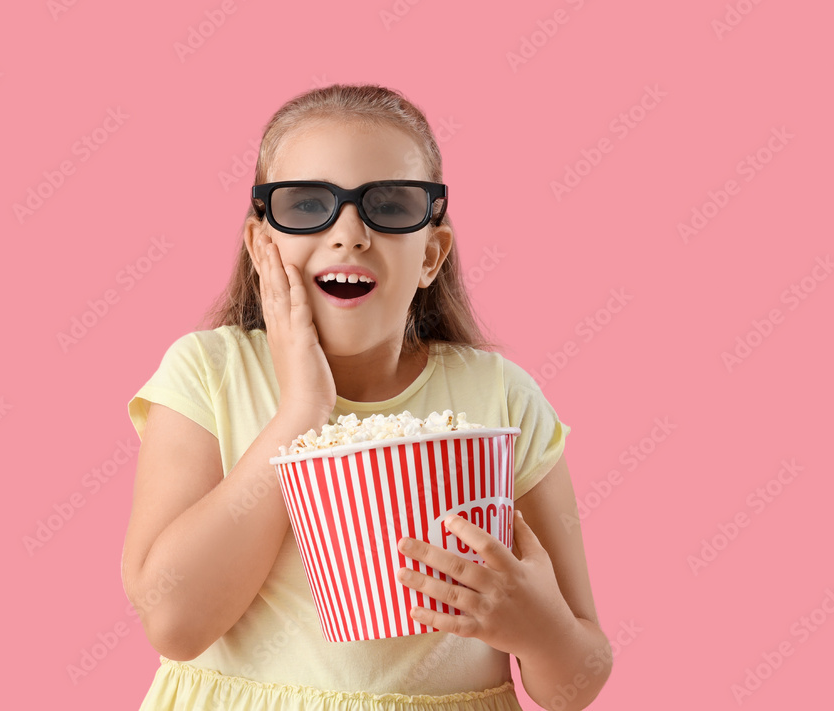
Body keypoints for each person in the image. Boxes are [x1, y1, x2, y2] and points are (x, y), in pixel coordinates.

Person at [121, 83, 611, 711]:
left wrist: (541, 632)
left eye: (390, 204)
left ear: (431, 254)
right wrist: (301, 411)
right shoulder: (209, 375)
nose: (349, 234)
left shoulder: (500, 397)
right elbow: (174, 620)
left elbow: (580, 677)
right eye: (305, 206)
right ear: (260, 245)